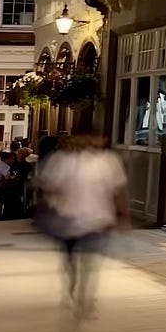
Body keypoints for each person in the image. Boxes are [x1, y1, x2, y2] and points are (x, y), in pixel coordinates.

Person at [34, 136, 128, 318]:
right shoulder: (64, 161)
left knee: (89, 264)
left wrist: (123, 216)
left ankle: (84, 300)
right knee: (72, 262)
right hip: (68, 220)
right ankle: (73, 290)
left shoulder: (108, 161)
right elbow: (48, 185)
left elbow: (120, 190)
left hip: (97, 221)